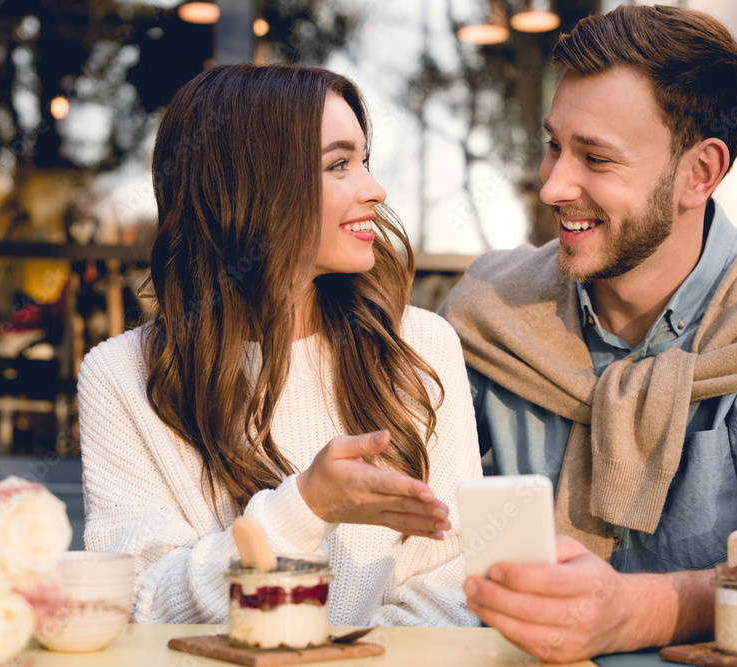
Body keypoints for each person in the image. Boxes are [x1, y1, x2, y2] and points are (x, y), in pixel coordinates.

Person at [439, 5, 737, 662]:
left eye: (595, 157)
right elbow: (405, 535)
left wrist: (640, 611)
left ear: (699, 173)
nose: (553, 184)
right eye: (553, 146)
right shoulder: (492, 310)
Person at [78, 63, 482, 627]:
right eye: (339, 165)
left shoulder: (419, 346)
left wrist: (334, 659)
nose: (374, 189)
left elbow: (459, 577)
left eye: (364, 161)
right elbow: (139, 601)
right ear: (250, 186)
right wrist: (303, 510)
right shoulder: (120, 374)